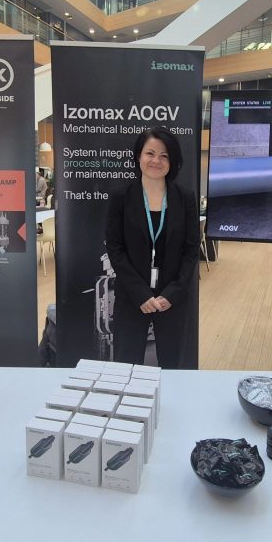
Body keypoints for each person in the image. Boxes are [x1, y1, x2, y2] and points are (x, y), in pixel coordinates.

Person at [104, 126, 199, 369]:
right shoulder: (121, 197)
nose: (156, 161)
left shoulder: (185, 198)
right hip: (132, 297)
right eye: (150, 153)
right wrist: (141, 294)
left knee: (173, 366)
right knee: (126, 366)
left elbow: (191, 250)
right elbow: (115, 248)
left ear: (172, 161)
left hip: (172, 299)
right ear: (139, 156)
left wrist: (172, 293)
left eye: (164, 155)